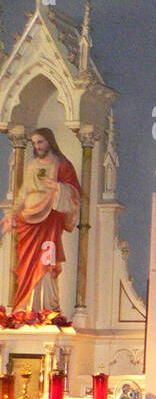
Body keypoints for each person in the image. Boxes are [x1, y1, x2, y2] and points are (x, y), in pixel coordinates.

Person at [2, 127, 80, 311]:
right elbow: (23, 193)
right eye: (35, 143)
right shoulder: (32, 165)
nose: (37, 146)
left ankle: (46, 306)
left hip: (49, 219)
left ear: (50, 141)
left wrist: (59, 187)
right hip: (28, 219)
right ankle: (24, 306)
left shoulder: (61, 164)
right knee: (26, 262)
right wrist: (12, 214)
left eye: (40, 142)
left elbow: (75, 193)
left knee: (47, 262)